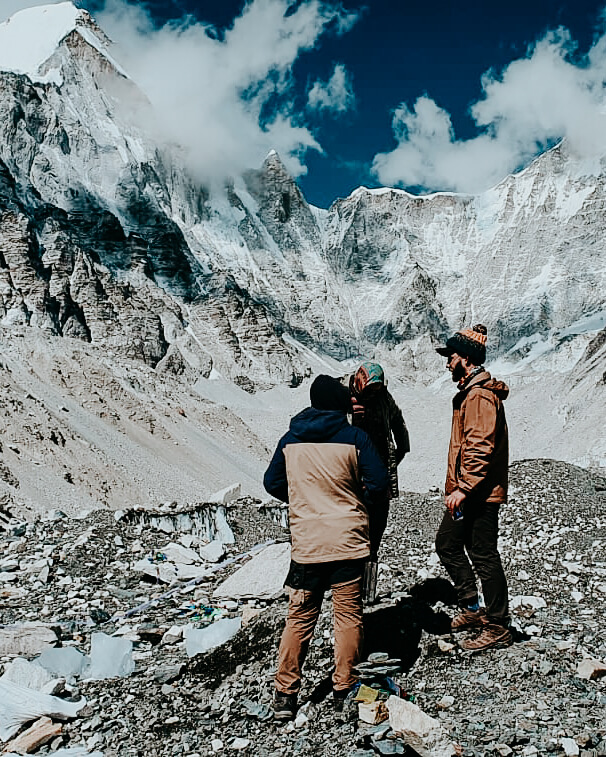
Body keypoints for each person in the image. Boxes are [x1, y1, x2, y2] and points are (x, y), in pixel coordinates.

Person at [263, 374, 389, 720]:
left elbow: (271, 482)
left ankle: (285, 696)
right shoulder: (355, 437)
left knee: (300, 618)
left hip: (307, 545)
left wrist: (302, 498)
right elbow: (379, 485)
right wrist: (354, 499)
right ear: (339, 404)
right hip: (348, 541)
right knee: (348, 617)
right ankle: (344, 689)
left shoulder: (290, 439)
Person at [434, 324, 512, 652]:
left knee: (483, 554)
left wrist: (463, 487)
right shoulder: (471, 392)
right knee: (448, 544)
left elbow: (480, 445)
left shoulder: (479, 395)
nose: (447, 363)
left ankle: (497, 625)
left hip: (478, 492)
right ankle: (472, 608)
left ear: (465, 358)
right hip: (470, 491)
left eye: (450, 357)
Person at [344, 362, 409, 554]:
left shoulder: (384, 398)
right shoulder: (341, 395)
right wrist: (350, 417)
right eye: (370, 390)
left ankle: (368, 578)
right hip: (349, 479)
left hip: (377, 482)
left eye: (376, 390)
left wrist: (399, 453)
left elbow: (397, 420)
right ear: (359, 381)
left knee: (373, 539)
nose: (372, 394)